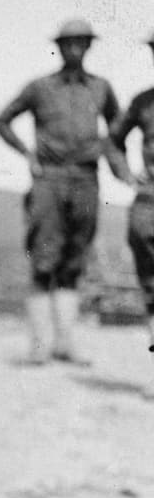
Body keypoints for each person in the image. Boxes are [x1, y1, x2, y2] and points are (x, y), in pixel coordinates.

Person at [0, 18, 126, 365]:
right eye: (68, 43)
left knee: (74, 261)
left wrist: (118, 165)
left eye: (82, 42)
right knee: (43, 260)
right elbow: (2, 120)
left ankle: (65, 344)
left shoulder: (101, 88)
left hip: (86, 180)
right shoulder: (40, 88)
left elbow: (118, 130)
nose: (75, 49)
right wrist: (27, 154)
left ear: (89, 46)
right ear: (59, 47)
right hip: (49, 181)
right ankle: (39, 348)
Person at [109, 29, 154, 355]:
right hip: (149, 202)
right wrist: (125, 173)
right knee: (151, 285)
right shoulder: (143, 102)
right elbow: (112, 141)